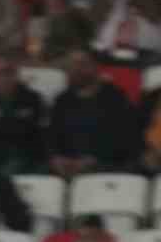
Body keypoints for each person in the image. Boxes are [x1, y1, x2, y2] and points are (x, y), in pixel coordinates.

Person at [48, 48, 141, 180]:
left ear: (96, 66)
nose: (75, 69)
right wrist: (57, 158)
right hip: (66, 170)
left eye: (82, 64)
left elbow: (125, 139)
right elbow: (53, 137)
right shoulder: (62, 101)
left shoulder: (116, 99)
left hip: (107, 168)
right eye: (71, 65)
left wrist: (94, 160)